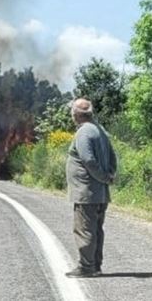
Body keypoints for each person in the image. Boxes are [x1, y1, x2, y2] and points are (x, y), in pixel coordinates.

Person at [65, 98, 117, 278]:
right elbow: (112, 155)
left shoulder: (84, 133)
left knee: (85, 229)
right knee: (95, 229)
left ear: (77, 114)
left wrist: (103, 176)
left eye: (72, 112)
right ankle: (95, 266)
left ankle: (87, 267)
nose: (72, 115)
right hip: (100, 192)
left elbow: (88, 160)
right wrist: (110, 175)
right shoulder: (99, 130)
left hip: (87, 192)